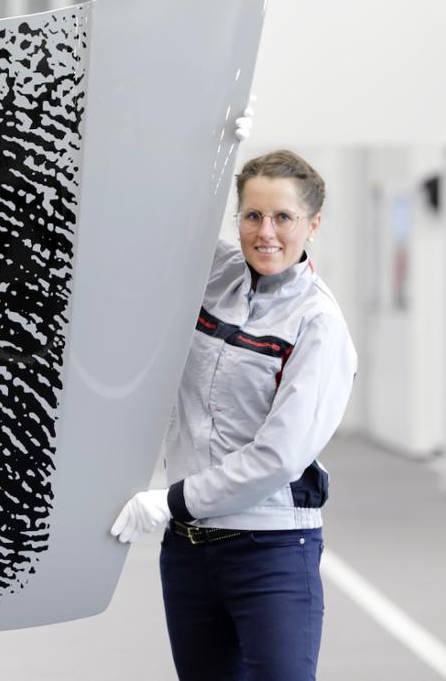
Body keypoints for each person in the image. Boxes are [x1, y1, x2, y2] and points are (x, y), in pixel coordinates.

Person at [110, 143, 357, 680]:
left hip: (270, 552)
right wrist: (207, 145)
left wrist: (171, 500)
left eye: (283, 217)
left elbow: (278, 457)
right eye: (252, 215)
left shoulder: (317, 324)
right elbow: (158, 216)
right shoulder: (217, 273)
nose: (266, 232)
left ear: (313, 224)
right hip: (188, 553)